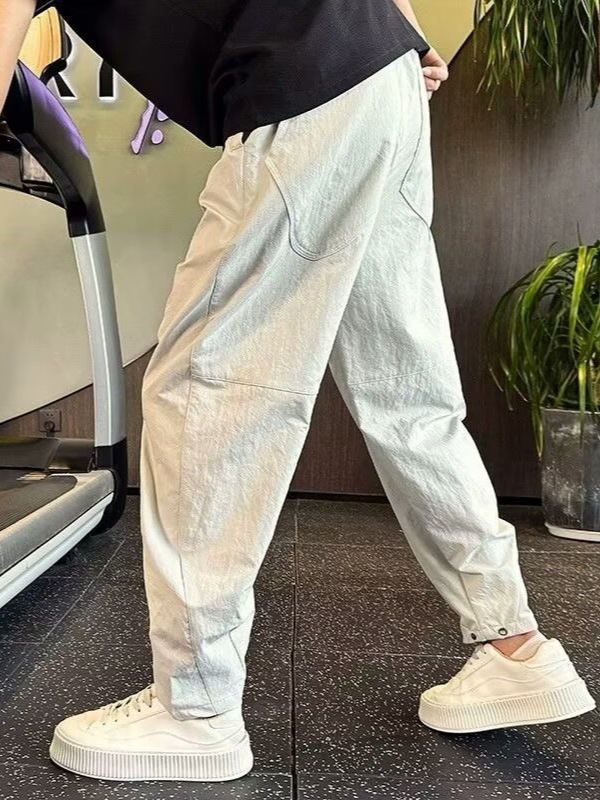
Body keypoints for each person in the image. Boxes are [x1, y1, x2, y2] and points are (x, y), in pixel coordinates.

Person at [1, 0, 595, 784]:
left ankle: (195, 708)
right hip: (377, 69)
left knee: (202, 390)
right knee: (405, 391)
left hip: (304, 81)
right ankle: (513, 644)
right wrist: (398, 27)